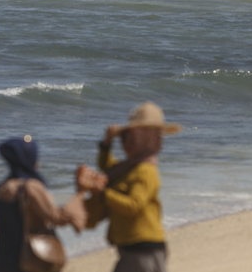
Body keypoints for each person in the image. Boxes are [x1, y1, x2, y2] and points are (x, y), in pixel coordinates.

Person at [76, 102, 182, 272]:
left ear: (150, 140)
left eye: (133, 138)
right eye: (124, 137)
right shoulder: (128, 168)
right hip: (133, 248)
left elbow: (133, 205)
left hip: (144, 248)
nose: (127, 143)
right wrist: (107, 143)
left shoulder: (146, 171)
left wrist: (103, 194)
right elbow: (108, 169)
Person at [0, 135, 86, 272]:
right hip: (29, 260)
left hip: (2, 259)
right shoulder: (31, 187)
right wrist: (80, 194)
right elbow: (56, 217)